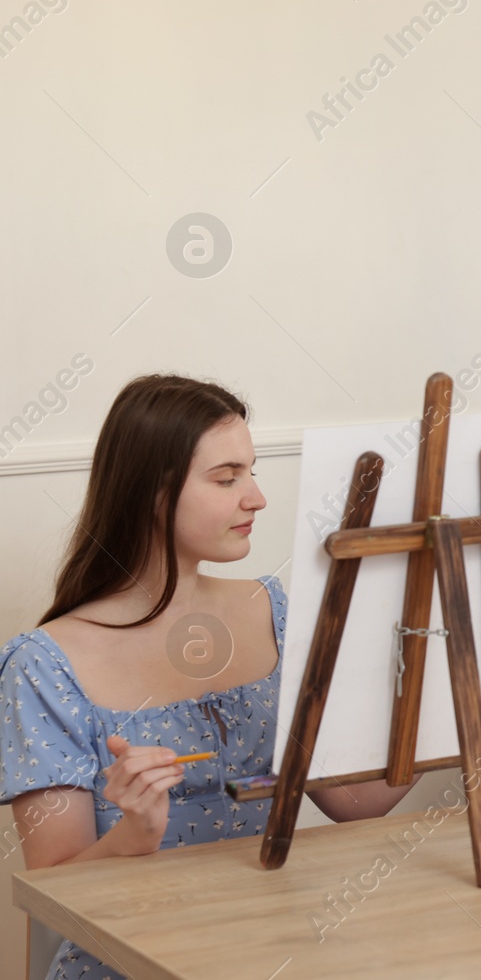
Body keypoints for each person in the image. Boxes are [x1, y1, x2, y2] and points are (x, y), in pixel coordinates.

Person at [1, 375, 414, 980]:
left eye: (251, 472)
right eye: (227, 479)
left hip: (275, 953)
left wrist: (465, 681)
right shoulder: (42, 665)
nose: (256, 498)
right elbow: (56, 894)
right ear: (152, 493)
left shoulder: (271, 610)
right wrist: (136, 833)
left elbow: (353, 801)